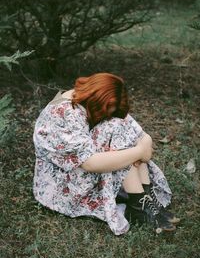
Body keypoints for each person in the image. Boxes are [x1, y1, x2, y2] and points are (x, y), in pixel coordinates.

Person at [33, 72, 180, 236]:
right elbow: (90, 163)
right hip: (63, 187)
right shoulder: (64, 113)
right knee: (118, 130)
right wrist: (139, 152)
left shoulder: (88, 98)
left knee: (118, 125)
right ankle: (138, 204)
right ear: (99, 101)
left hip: (85, 170)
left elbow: (140, 134)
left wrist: (144, 144)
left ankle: (145, 199)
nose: (107, 115)